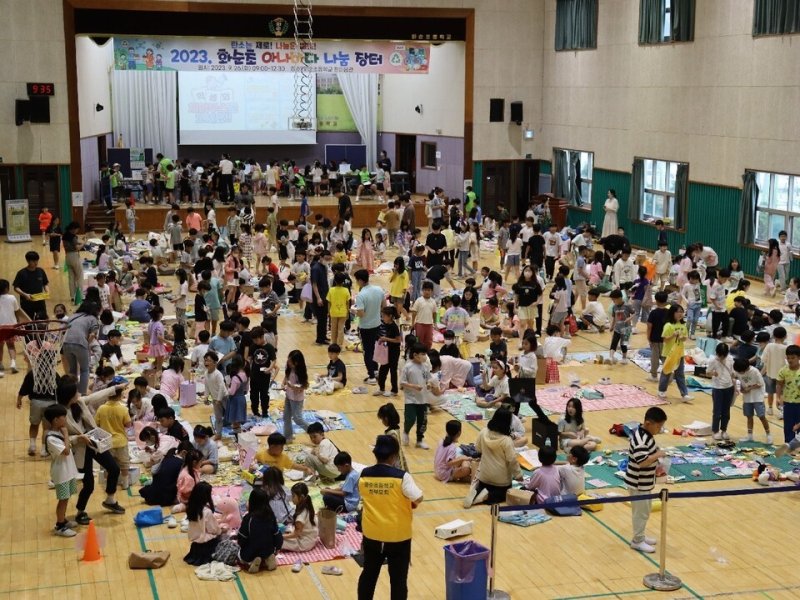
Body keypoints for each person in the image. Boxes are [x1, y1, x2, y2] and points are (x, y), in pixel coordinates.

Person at [357, 434, 423, 600]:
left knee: (369, 574)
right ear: (394, 456)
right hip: (398, 536)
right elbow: (418, 497)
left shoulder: (364, 474)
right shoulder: (402, 477)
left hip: (372, 534)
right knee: (398, 580)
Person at [56, 377, 125, 523]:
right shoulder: (60, 413)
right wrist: (78, 439)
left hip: (94, 442)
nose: (79, 393)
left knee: (113, 468)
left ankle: (110, 500)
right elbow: (61, 439)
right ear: (69, 395)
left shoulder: (79, 403)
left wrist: (116, 388)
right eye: (75, 391)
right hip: (80, 450)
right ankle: (80, 511)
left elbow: (95, 396)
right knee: (89, 484)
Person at [624, 406, 668, 554]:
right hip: (638, 483)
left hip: (645, 481)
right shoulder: (640, 439)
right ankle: (637, 541)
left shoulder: (647, 435)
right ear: (648, 423)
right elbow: (642, 461)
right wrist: (658, 455)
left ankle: (640, 535)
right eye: (659, 426)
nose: (660, 429)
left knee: (645, 510)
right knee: (640, 512)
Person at [463, 407, 523, 507]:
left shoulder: (483, 432)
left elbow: (478, 448)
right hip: (501, 480)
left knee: (483, 486)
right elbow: (512, 460)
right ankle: (488, 496)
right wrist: (518, 475)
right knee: (503, 494)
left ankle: (477, 492)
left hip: (484, 475)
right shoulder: (506, 440)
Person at [43, 404, 80, 537]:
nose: (65, 419)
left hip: (68, 470)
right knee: (63, 499)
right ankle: (60, 526)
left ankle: (63, 519)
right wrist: (65, 434)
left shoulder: (57, 432)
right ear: (55, 420)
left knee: (67, 497)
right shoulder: (51, 437)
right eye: (63, 417)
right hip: (61, 473)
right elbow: (66, 451)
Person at [94, 386, 132, 490]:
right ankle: (125, 484)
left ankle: (109, 484)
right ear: (120, 395)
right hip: (121, 441)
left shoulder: (101, 408)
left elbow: (96, 424)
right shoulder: (123, 409)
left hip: (106, 442)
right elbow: (128, 424)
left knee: (108, 466)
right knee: (124, 464)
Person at [238, 487, 282, 573]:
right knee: (265, 549)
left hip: (251, 551)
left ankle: (251, 562)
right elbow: (277, 534)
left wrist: (241, 545)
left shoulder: (248, 518)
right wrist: (278, 548)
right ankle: (268, 559)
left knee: (240, 555)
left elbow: (242, 537)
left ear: (252, 502)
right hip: (268, 550)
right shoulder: (271, 516)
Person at [353, 269, 385, 384]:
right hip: (377, 324)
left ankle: (371, 376)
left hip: (365, 327)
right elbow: (384, 306)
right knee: (375, 348)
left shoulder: (361, 295)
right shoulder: (379, 290)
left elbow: (361, 313)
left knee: (367, 351)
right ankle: (375, 370)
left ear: (360, 280)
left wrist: (353, 311)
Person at [62, 301, 100, 394]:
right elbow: (92, 335)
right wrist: (87, 345)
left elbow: (64, 330)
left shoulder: (72, 316)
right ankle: (82, 394)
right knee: (84, 369)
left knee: (72, 369)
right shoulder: (92, 318)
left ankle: (72, 393)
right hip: (80, 343)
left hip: (65, 343)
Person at [657, 304, 693, 402]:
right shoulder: (668, 325)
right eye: (678, 312)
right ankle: (661, 390)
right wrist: (673, 335)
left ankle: (684, 394)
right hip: (668, 354)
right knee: (666, 373)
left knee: (680, 374)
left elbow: (685, 337)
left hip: (679, 353)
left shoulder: (682, 325)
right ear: (673, 313)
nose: (680, 314)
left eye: (682, 311)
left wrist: (682, 338)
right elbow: (664, 339)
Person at [400, 343, 432, 450]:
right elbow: (402, 382)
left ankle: (420, 440)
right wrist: (413, 386)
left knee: (423, 421)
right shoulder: (408, 367)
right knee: (411, 418)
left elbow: (429, 379)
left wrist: (428, 384)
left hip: (423, 399)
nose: (425, 356)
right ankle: (406, 431)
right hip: (411, 399)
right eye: (423, 354)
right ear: (415, 355)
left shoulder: (426, 366)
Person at [733, 359, 772, 444]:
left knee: (761, 416)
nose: (740, 373)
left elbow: (760, 383)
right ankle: (750, 436)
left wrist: (749, 388)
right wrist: (742, 389)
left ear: (746, 368)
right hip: (747, 397)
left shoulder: (754, 371)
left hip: (757, 397)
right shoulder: (738, 371)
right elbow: (737, 379)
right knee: (749, 416)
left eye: (741, 372)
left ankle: (768, 435)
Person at [183, 481, 222, 565]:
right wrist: (221, 530)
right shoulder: (206, 512)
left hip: (196, 544)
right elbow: (213, 530)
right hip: (207, 545)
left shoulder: (191, 508)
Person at [706, 343, 735, 441]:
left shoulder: (730, 359)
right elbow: (707, 372)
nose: (722, 357)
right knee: (717, 411)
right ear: (717, 353)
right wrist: (713, 373)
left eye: (724, 355)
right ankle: (715, 431)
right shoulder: (713, 360)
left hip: (729, 387)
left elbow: (732, 372)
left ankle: (724, 430)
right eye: (720, 355)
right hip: (718, 388)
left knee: (726, 411)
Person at [281, 482, 319, 552]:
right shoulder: (307, 506)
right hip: (310, 538)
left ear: (301, 497)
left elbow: (296, 534)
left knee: (277, 541)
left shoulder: (300, 516)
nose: (291, 498)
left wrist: (281, 537)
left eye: (293, 496)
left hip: (304, 543)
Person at [13, 251, 50, 320]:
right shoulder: (21, 273)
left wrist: (47, 291)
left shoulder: (40, 271)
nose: (36, 263)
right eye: (33, 261)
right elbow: (16, 287)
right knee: (28, 322)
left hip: (40, 301)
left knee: (43, 321)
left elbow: (45, 283)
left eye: (37, 260)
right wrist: (25, 294)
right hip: (27, 303)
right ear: (28, 261)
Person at [376, 306, 402, 397]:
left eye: (384, 316)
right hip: (387, 350)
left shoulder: (394, 326)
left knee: (393, 371)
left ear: (390, 316)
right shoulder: (386, 324)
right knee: (382, 370)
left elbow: (398, 340)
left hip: (394, 351)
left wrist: (385, 338)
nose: (383, 318)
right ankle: (381, 388)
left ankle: (394, 390)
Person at [776, 345, 800, 443]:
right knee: (788, 426)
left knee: (798, 425)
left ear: (799, 357)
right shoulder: (783, 370)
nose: (790, 360)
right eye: (788, 357)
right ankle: (789, 444)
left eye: (793, 357)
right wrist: (778, 397)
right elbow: (779, 385)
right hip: (788, 402)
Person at [646, 291, 669, 382]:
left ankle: (654, 375)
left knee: (654, 357)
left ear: (656, 300)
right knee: (665, 357)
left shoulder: (653, 313)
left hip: (655, 338)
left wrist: (648, 337)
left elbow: (649, 326)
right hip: (666, 339)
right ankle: (668, 376)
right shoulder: (669, 312)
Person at [378, 403, 408, 472]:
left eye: (382, 419)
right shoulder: (395, 429)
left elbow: (394, 452)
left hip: (395, 465)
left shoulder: (392, 434)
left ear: (386, 418)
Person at [310, 250, 331, 345]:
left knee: (324, 318)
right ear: (321, 257)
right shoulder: (316, 268)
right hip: (319, 297)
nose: (327, 260)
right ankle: (320, 338)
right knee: (321, 319)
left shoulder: (324, 267)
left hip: (325, 295)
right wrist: (318, 298)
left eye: (329, 259)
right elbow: (314, 284)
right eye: (326, 259)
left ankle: (324, 336)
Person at [608, 290, 633, 365]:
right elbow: (614, 317)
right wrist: (612, 326)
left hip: (626, 329)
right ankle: (611, 357)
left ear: (619, 298)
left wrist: (630, 318)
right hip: (617, 328)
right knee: (614, 342)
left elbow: (635, 313)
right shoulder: (614, 307)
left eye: (614, 299)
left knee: (623, 344)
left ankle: (624, 358)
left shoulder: (628, 306)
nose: (613, 301)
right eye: (612, 300)